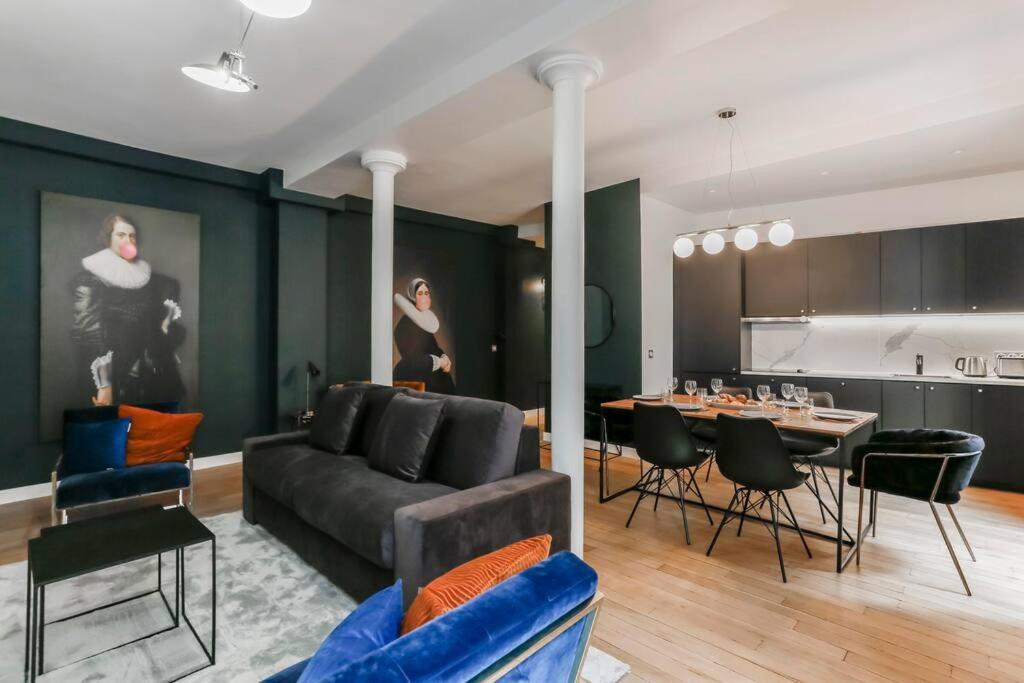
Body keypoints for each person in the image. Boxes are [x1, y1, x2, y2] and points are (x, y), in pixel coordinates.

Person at [70, 214, 186, 407]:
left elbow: (156, 312)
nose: (128, 240)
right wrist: (104, 385)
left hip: (147, 371)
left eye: (132, 236)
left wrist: (164, 326)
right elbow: (90, 334)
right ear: (108, 238)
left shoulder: (147, 278)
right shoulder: (90, 279)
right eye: (121, 235)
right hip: (116, 372)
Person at [393, 277, 455, 394]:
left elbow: (433, 348)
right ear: (413, 297)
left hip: (431, 374)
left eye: (427, 293)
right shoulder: (404, 326)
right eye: (420, 294)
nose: (425, 297)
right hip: (416, 378)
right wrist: (440, 362)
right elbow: (413, 360)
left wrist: (444, 357)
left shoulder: (424, 323)